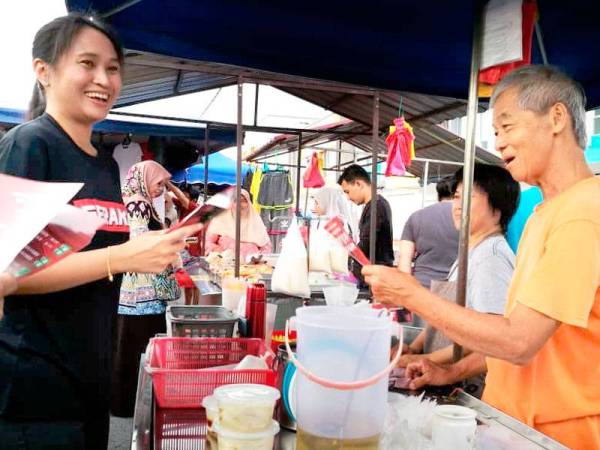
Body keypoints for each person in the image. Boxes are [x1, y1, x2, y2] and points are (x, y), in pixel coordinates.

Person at [363, 65, 600, 450]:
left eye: (507, 127)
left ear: (557, 118)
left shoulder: (585, 212)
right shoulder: (546, 212)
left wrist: (410, 295)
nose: (499, 143)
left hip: (554, 433)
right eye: (495, 133)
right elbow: (517, 330)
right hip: (509, 420)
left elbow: (519, 342)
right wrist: (453, 369)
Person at [0, 14, 201, 450]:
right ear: (44, 72)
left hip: (90, 374)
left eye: (112, 68)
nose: (103, 79)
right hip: (32, 384)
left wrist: (144, 246)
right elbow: (11, 273)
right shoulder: (29, 146)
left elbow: (89, 256)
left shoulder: (105, 164)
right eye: (87, 63)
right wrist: (123, 258)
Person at [399, 163, 519, 398]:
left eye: (469, 197)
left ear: (497, 209)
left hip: (467, 386)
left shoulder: (491, 258)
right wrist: (415, 347)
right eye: (456, 196)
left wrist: (427, 358)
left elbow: (490, 338)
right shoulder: (469, 251)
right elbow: (445, 317)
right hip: (439, 376)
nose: (457, 206)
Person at [111, 160, 182, 417]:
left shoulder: (137, 200)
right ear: (144, 179)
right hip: (142, 290)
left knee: (131, 344)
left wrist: (170, 213)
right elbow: (140, 241)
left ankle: (126, 402)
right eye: (158, 183)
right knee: (141, 345)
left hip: (137, 290)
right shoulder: (138, 203)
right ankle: (133, 404)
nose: (162, 189)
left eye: (163, 184)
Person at [398, 176, 459, 326]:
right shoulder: (467, 218)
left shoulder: (416, 217)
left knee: (418, 343)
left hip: (421, 293)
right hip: (456, 294)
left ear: (438, 195)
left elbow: (404, 263)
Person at [338, 164, 394, 287]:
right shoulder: (373, 205)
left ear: (358, 184)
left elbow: (366, 242)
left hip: (376, 277)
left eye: (347, 192)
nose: (348, 197)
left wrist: (346, 250)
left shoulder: (377, 206)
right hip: (372, 275)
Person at [206, 189, 272, 260]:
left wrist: (258, 260)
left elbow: (266, 248)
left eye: (243, 201)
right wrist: (218, 249)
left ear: (249, 203)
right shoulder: (220, 219)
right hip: (224, 266)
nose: (239, 204)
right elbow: (207, 243)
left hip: (251, 267)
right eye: (235, 201)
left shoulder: (255, 221)